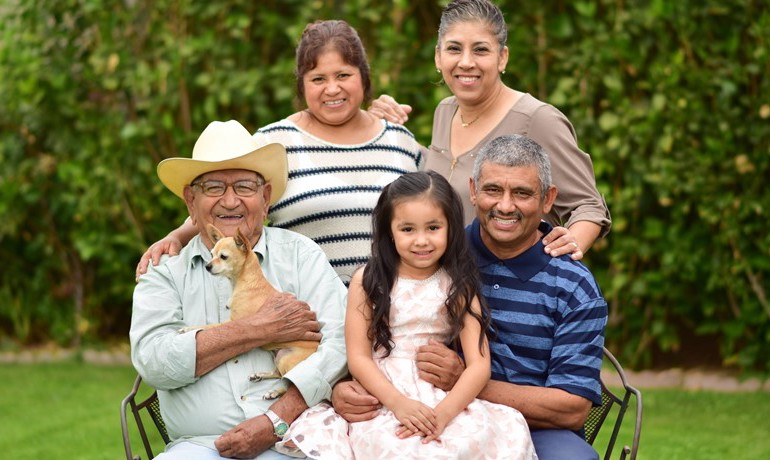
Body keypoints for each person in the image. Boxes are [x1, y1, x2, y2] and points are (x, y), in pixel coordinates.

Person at [334, 134, 608, 460]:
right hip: (418, 403)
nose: (505, 206)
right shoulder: (438, 254)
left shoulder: (574, 285)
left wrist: (461, 381)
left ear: (548, 200)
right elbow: (372, 340)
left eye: (522, 193)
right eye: (493, 190)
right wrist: (342, 389)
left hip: (535, 426)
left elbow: (572, 409)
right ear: (474, 192)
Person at [270, 171, 536, 459]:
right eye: (407, 230)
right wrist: (398, 403)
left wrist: (443, 414)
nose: (421, 241)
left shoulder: (458, 283)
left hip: (441, 394)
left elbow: (479, 365)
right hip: (383, 392)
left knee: (471, 440)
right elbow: (358, 357)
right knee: (393, 446)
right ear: (389, 232)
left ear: (451, 228)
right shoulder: (369, 280)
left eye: (433, 227)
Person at [135, 20, 422, 284]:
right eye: (318, 79)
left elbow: (433, 216)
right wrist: (177, 236)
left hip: (394, 316)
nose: (332, 89)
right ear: (301, 84)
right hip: (306, 317)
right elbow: (226, 199)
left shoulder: (400, 141)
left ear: (364, 77)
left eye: (343, 75)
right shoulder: (273, 143)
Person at [130, 119, 348, 459]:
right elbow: (155, 361)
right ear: (191, 200)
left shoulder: (301, 255)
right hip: (197, 447)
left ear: (266, 197)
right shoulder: (164, 272)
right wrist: (259, 328)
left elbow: (341, 342)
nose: (230, 201)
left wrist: (277, 418)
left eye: (244, 186)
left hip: (295, 439)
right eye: (214, 187)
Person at [370, 0, 611, 260]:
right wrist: (382, 129)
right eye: (454, 49)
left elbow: (588, 205)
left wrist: (567, 251)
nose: (465, 62)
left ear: (502, 57)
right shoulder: (445, 110)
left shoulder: (537, 119)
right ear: (438, 57)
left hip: (512, 289)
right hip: (450, 288)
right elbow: (447, 171)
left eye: (480, 50)